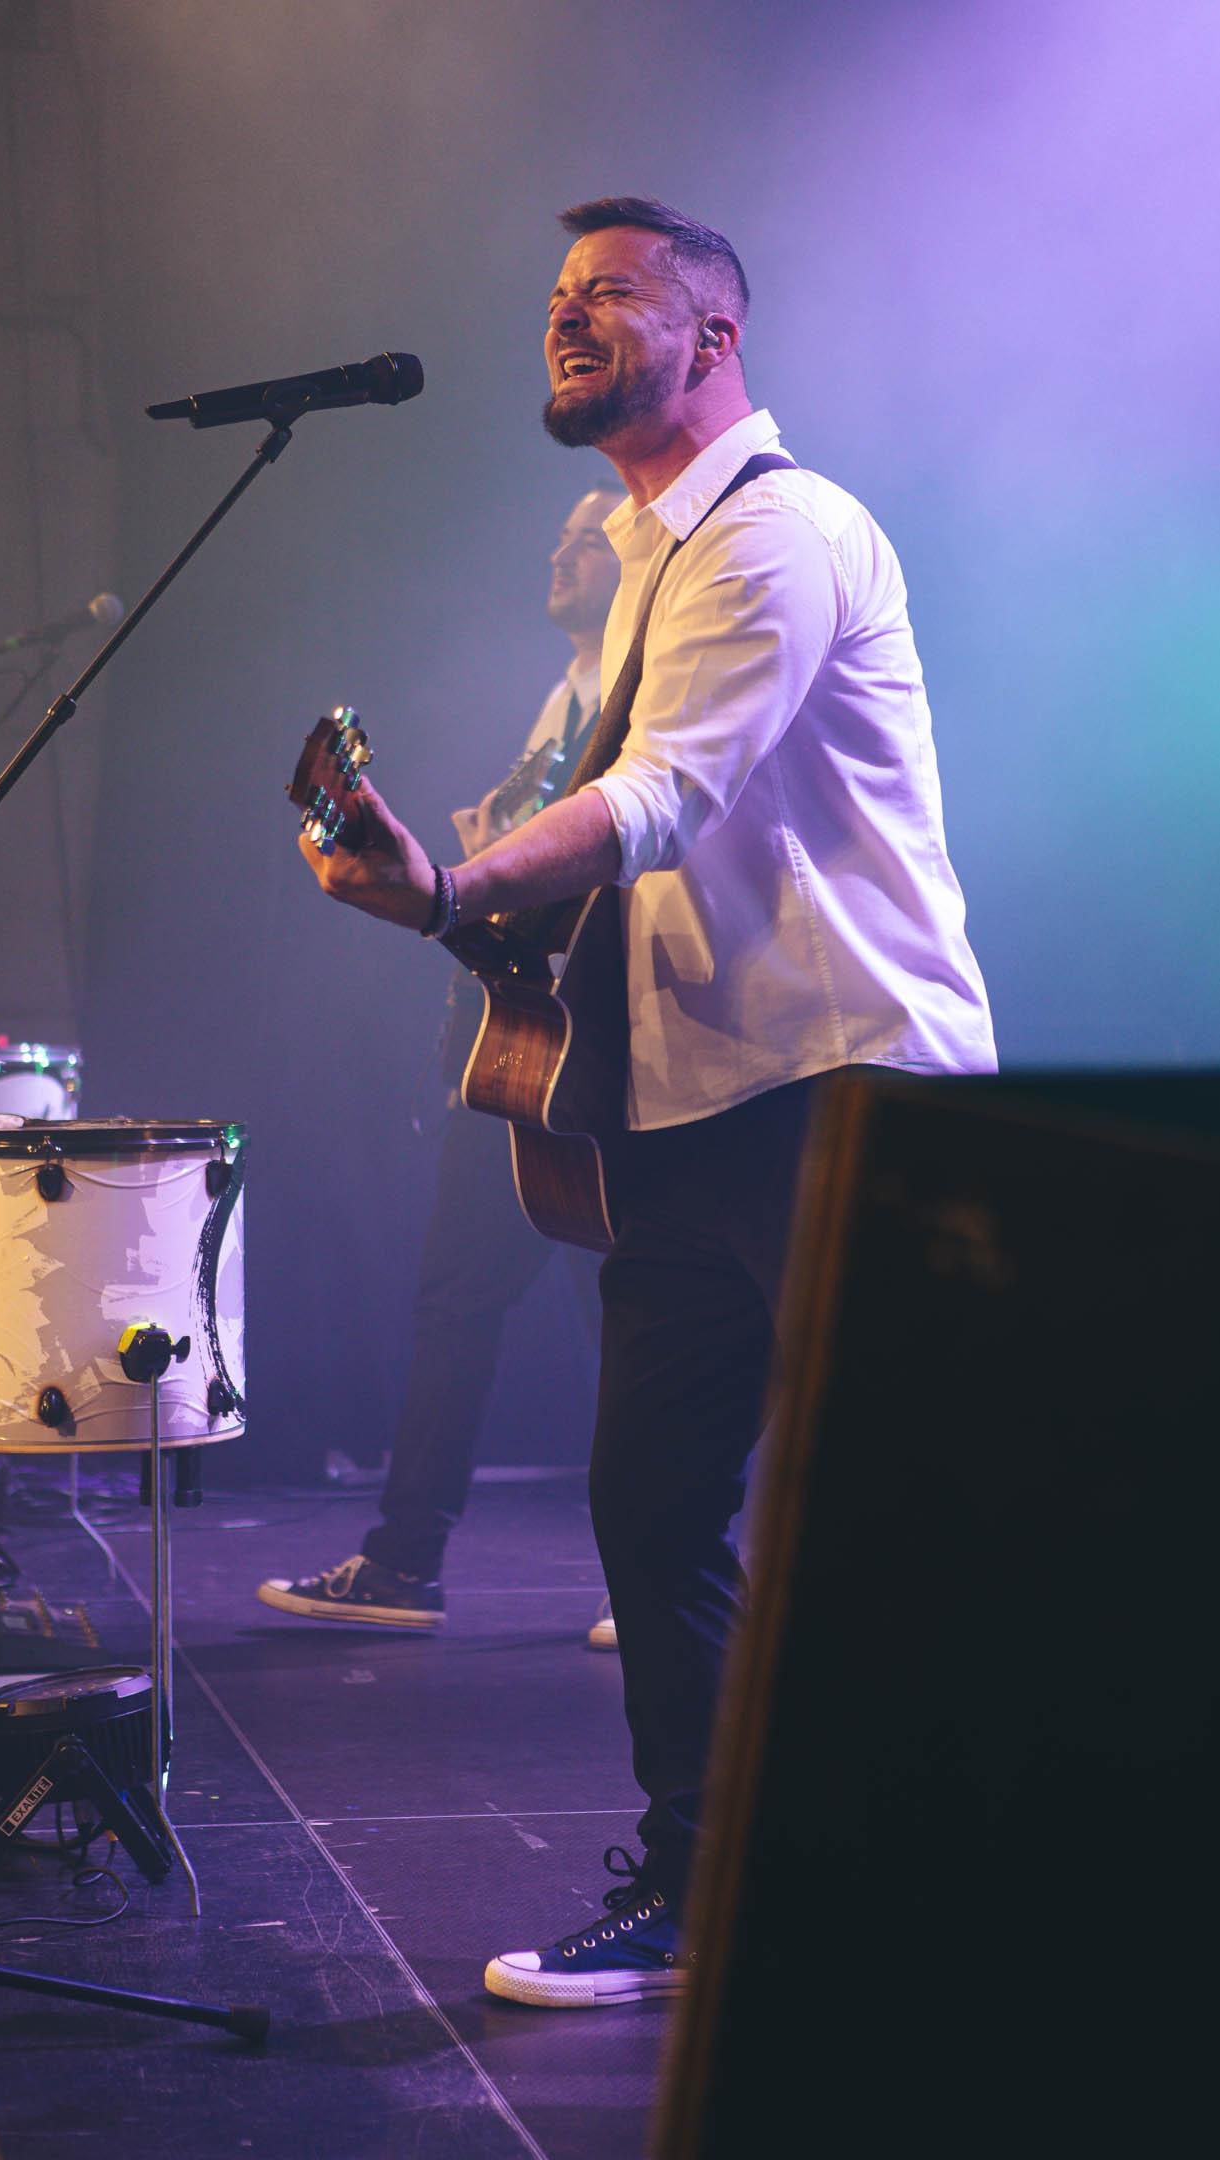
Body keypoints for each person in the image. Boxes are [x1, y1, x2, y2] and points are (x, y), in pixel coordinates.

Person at [289, 196, 997, 2009]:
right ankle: (708, 1889)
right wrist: (464, 909)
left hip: (847, 1090)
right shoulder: (641, 562)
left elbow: (668, 799)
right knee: (659, 1507)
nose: (568, 316)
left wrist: (452, 892)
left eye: (611, 293)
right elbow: (621, 863)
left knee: (906, 1511)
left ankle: (978, 1881)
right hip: (691, 1110)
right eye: (557, 295)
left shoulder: (781, 531)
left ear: (715, 337)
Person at [258, 486, 625, 1644]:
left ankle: (660, 1577)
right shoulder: (561, 696)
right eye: (559, 535)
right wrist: (474, 855)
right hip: (519, 1048)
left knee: (630, 1314)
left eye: (589, 539)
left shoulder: (641, 690)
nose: (561, 553)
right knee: (459, 1301)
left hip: (600, 1051)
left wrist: (483, 872)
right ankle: (403, 1563)